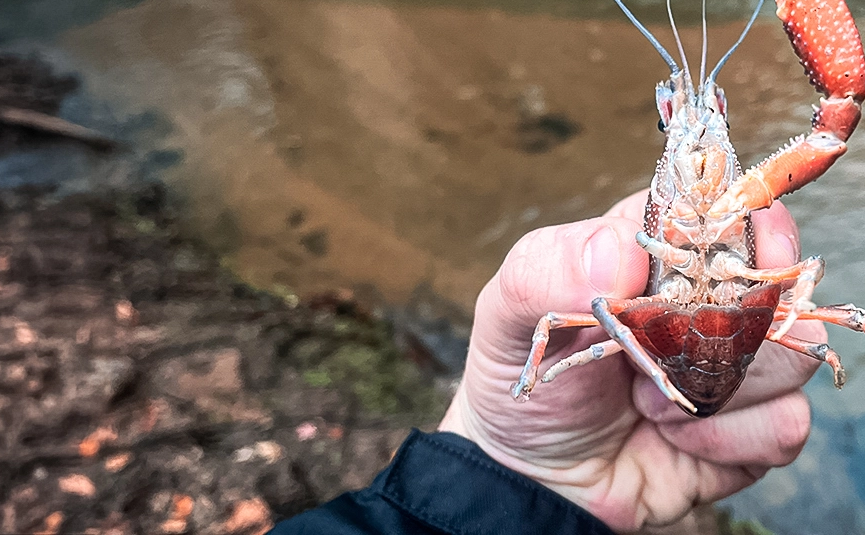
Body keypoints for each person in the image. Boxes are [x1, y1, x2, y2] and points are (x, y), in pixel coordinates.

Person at [270, 189, 824, 534]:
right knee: (601, 301)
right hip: (618, 404)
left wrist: (510, 475)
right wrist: (520, 470)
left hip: (564, 460)